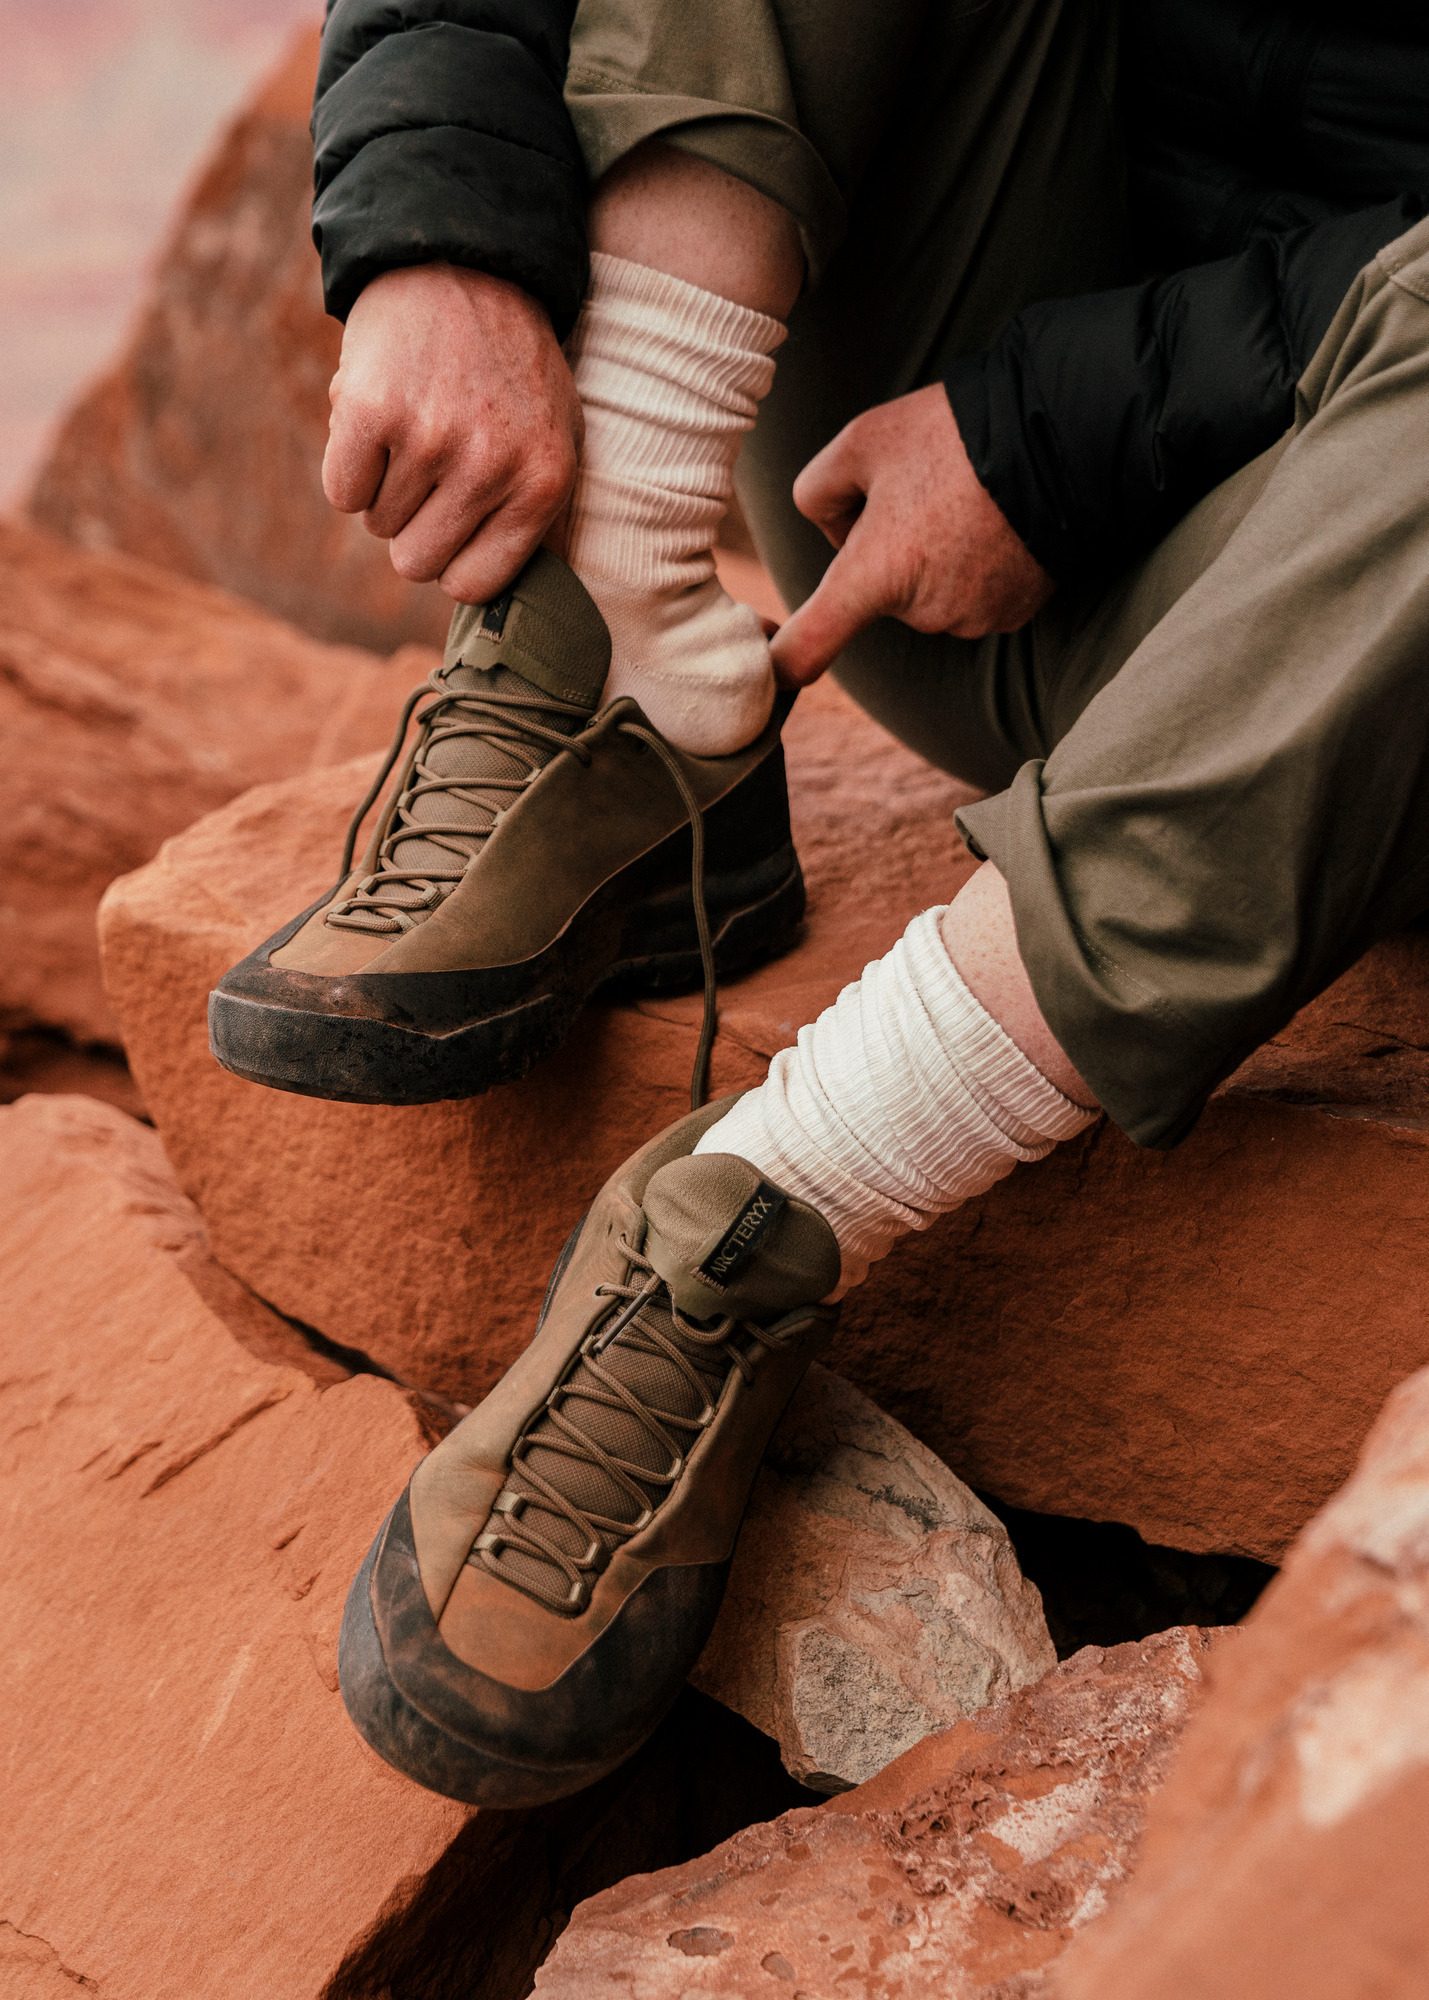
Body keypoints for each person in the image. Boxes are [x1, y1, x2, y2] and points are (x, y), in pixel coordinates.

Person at [219, 1, 1429, 1805]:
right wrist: (427, 232)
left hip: (1362, 631)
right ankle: (619, 649)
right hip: (917, 521)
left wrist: (1044, 427)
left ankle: (766, 1205)